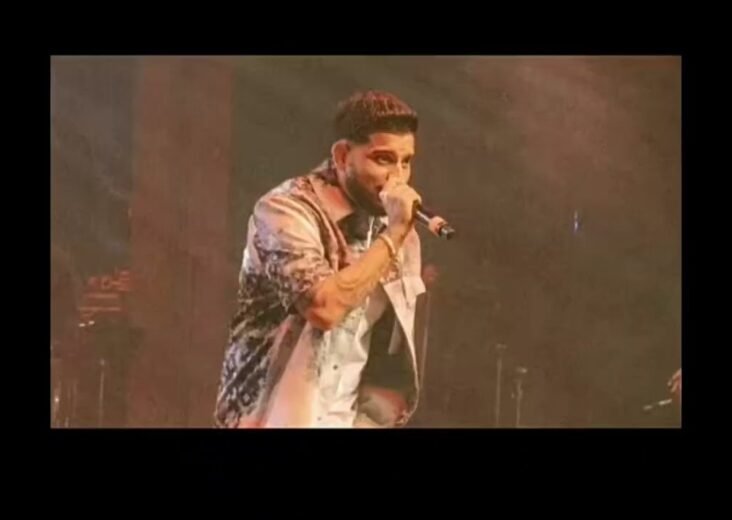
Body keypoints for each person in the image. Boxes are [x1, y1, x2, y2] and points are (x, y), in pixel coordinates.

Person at [215, 90, 427, 428]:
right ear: (342, 156)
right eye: (383, 159)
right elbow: (323, 308)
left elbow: (388, 352)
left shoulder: (401, 235)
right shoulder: (285, 210)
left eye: (406, 161)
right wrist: (393, 237)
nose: (397, 178)